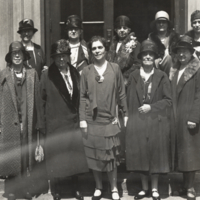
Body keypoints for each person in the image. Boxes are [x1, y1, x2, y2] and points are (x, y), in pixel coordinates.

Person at [79, 36, 128, 200]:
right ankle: (98, 187)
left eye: (100, 48)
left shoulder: (114, 68)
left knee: (111, 156)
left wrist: (125, 113)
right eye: (94, 48)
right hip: (92, 120)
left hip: (110, 120)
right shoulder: (86, 71)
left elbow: (121, 93)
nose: (97, 51)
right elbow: (83, 97)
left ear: (105, 49)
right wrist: (82, 119)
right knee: (95, 156)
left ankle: (114, 188)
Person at [40, 39, 89, 200]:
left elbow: (80, 96)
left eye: (64, 56)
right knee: (57, 158)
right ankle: (57, 191)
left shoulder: (74, 72)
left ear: (68, 56)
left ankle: (76, 189)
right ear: (53, 58)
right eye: (58, 56)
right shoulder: (47, 75)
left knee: (74, 158)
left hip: (73, 122)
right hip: (56, 123)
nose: (61, 60)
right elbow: (41, 101)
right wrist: (43, 124)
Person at [126, 40, 172, 200]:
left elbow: (168, 100)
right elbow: (127, 98)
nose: (147, 57)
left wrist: (151, 107)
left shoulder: (161, 76)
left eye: (150, 55)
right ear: (140, 57)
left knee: (155, 156)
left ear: (155, 58)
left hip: (156, 121)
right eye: (144, 54)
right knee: (141, 156)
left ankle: (154, 189)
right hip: (138, 122)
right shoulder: (133, 76)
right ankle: (144, 189)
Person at [0, 41, 42, 200]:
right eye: (13, 53)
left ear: (24, 56)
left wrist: (38, 124)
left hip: (27, 120)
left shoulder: (32, 74)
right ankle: (10, 190)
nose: (17, 56)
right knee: (11, 156)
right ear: (10, 57)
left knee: (25, 156)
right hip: (9, 122)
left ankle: (25, 189)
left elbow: (37, 100)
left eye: (19, 53)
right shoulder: (3, 75)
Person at [170, 35, 200, 200]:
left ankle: (191, 187)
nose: (181, 55)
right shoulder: (175, 69)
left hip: (189, 117)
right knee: (182, 152)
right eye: (179, 52)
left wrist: (194, 117)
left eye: (185, 52)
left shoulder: (196, 69)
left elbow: (199, 95)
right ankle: (184, 185)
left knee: (190, 152)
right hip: (176, 116)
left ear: (191, 53)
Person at [107, 15, 141, 85]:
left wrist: (124, 77)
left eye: (124, 28)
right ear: (115, 30)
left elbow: (137, 64)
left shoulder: (134, 44)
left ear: (129, 30)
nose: (122, 30)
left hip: (127, 80)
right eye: (119, 28)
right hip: (112, 78)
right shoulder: (112, 44)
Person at [148, 11, 179, 77]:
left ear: (167, 24)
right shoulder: (151, 38)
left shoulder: (174, 37)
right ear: (155, 24)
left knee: (168, 57)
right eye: (159, 22)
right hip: (155, 66)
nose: (161, 24)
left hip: (171, 67)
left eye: (164, 22)